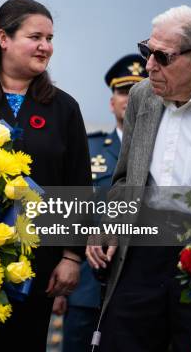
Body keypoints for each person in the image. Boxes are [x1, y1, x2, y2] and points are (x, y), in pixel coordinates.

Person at [86, 5, 191, 351]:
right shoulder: (142, 96)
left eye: (162, 57)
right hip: (142, 245)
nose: (149, 66)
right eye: (146, 51)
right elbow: (123, 180)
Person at [0, 0, 91, 351]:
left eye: (50, 38)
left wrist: (71, 257)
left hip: (38, 265)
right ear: (3, 38)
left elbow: (78, 185)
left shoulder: (63, 108)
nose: (46, 47)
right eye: (36, 37)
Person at [53, 54, 147, 351]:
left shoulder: (163, 154)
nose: (129, 99)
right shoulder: (88, 148)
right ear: (112, 102)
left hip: (140, 287)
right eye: (122, 92)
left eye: (137, 91)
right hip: (85, 288)